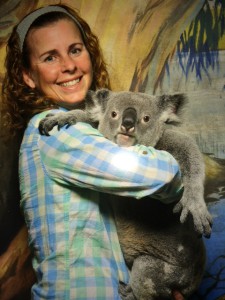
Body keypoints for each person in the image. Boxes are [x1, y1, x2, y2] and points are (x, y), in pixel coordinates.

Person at [1, 4, 184, 299]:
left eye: (75, 50)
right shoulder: (53, 131)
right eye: (50, 57)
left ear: (89, 53)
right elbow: (158, 175)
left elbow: (117, 234)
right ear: (28, 76)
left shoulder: (90, 134)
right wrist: (177, 172)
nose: (69, 65)